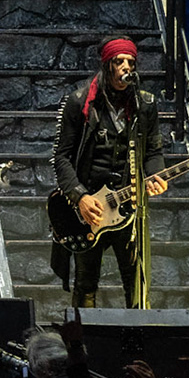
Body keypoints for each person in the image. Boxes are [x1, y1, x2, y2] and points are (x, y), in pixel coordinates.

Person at [50, 37, 168, 309]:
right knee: (86, 282)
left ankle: (138, 335)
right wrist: (80, 197)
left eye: (131, 62)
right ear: (107, 65)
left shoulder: (145, 105)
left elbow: (153, 151)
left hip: (129, 206)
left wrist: (156, 175)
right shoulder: (79, 102)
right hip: (90, 208)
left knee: (136, 281)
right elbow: (61, 157)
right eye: (119, 62)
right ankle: (83, 334)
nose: (126, 67)